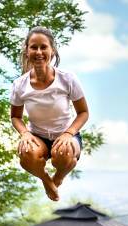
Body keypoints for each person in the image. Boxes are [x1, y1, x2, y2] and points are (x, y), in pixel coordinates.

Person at [10, 26, 89, 201]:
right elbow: (15, 116)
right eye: (34, 47)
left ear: (52, 51)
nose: (39, 52)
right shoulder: (19, 85)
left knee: (64, 153)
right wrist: (24, 133)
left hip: (66, 134)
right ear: (27, 50)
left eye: (43, 47)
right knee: (26, 154)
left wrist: (69, 133)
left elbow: (83, 112)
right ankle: (46, 180)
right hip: (38, 136)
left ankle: (58, 177)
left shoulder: (67, 79)